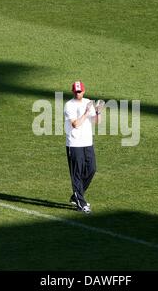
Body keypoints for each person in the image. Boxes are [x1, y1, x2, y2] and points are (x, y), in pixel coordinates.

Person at [64, 81, 102, 214]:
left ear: (84, 91)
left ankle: (77, 195)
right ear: (72, 91)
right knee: (77, 174)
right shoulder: (69, 105)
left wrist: (97, 112)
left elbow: (96, 122)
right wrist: (86, 112)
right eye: (75, 91)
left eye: (79, 91)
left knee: (92, 169)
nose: (77, 93)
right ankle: (80, 204)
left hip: (87, 143)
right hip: (74, 144)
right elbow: (75, 124)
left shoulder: (88, 102)